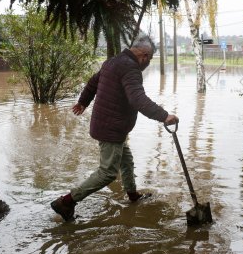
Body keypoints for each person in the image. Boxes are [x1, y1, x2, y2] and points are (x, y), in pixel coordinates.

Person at [51, 35, 179, 221]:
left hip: (110, 126)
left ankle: (133, 196)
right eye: (149, 60)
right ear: (144, 55)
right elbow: (137, 99)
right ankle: (67, 201)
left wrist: (83, 102)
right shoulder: (131, 68)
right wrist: (164, 116)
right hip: (111, 128)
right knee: (108, 172)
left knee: (126, 161)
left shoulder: (113, 61)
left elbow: (93, 82)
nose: (148, 64)